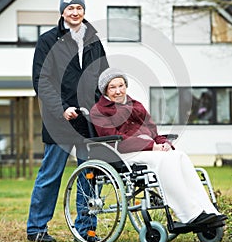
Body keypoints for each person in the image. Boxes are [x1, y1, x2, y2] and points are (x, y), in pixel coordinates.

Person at [90, 68, 227, 226]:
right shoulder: (100, 111)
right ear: (105, 90)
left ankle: (208, 210)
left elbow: (153, 132)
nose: (118, 91)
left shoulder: (136, 105)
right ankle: (190, 215)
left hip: (148, 149)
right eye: (112, 87)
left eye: (121, 85)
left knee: (179, 156)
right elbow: (116, 142)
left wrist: (164, 143)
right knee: (163, 161)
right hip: (123, 153)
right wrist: (151, 146)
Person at [27, 0, 109, 242]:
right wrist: (61, 107)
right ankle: (36, 229)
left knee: (90, 174)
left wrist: (103, 108)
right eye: (69, 8)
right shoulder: (48, 41)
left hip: (88, 121)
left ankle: (86, 230)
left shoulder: (94, 41)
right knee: (50, 175)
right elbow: (41, 81)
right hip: (59, 120)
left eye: (78, 7)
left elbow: (104, 78)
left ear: (84, 11)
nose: (74, 12)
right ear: (62, 12)